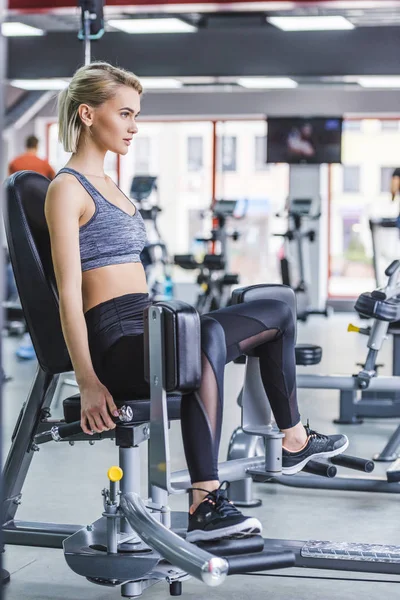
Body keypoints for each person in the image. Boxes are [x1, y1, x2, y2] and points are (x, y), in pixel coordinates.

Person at [45, 61, 349, 544]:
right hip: (117, 342)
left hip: (148, 326)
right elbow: (67, 293)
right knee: (201, 332)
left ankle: (294, 439)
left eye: (135, 114)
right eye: (124, 114)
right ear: (86, 114)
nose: (134, 125)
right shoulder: (66, 189)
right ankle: (205, 502)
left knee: (278, 304)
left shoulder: (112, 186)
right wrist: (87, 381)